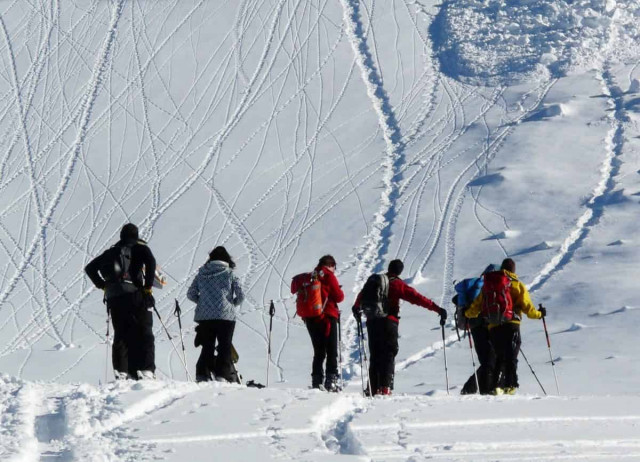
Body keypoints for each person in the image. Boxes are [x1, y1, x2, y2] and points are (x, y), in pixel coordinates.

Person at [353, 259, 447, 396]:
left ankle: (372, 389)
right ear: (400, 271)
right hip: (389, 322)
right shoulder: (397, 284)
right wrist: (437, 309)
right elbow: (417, 298)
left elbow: (361, 296)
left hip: (372, 322)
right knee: (389, 353)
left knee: (375, 355)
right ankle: (385, 388)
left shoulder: (375, 282)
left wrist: (356, 308)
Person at [85, 223, 157, 380]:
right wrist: (148, 288)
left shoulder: (112, 251)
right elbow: (151, 262)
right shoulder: (139, 248)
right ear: (136, 235)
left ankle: (122, 371)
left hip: (114, 297)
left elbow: (90, 268)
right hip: (135, 295)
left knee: (121, 333)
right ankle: (146, 370)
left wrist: (103, 285)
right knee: (144, 332)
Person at [465, 258, 545, 395]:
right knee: (511, 356)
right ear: (513, 270)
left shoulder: (489, 285)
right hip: (511, 324)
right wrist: (540, 314)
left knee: (499, 356)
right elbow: (528, 309)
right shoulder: (516, 284)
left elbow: (476, 306)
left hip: (493, 326)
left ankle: (496, 386)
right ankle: (510, 385)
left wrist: (467, 314)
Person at [187, 246, 245, 383]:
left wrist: (203, 303)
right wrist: (232, 304)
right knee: (224, 345)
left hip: (205, 317)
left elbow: (190, 294)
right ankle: (222, 375)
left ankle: (202, 374)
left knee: (208, 346)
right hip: (226, 316)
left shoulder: (201, 273)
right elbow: (241, 295)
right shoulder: (230, 274)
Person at [292, 255, 344, 392]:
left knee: (319, 351)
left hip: (310, 318)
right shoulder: (328, 276)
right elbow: (339, 297)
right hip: (327, 317)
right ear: (331, 265)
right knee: (331, 350)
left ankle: (316, 381)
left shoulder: (311, 276)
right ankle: (331, 381)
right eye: (334, 267)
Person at [456, 264, 499, 395]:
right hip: (486, 326)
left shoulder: (476, 286)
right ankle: (477, 389)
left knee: (488, 360)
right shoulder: (487, 287)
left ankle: (475, 388)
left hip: (475, 327)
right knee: (490, 360)